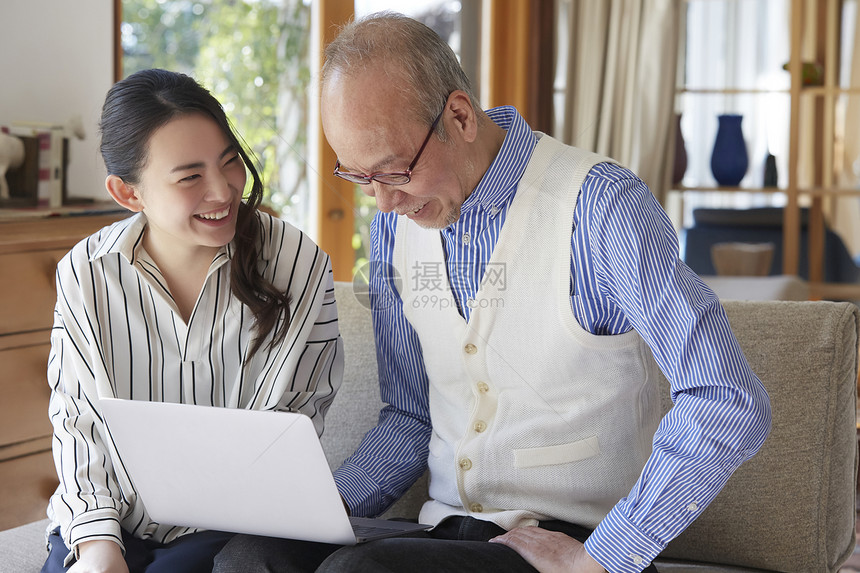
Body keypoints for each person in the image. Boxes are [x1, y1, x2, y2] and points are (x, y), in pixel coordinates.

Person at [214, 12, 771, 573]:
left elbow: (729, 399)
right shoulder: (393, 224)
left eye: (394, 171)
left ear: (459, 116)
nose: (382, 204)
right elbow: (410, 414)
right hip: (443, 535)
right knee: (248, 557)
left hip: (569, 542)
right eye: (360, 178)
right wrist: (317, 517)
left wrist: (604, 556)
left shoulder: (602, 207)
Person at [42, 68, 343, 573]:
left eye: (229, 163)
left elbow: (293, 423)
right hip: (108, 520)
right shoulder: (87, 272)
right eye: (190, 177)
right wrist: (98, 547)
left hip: (235, 528)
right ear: (128, 193)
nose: (223, 192)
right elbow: (76, 423)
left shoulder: (296, 262)